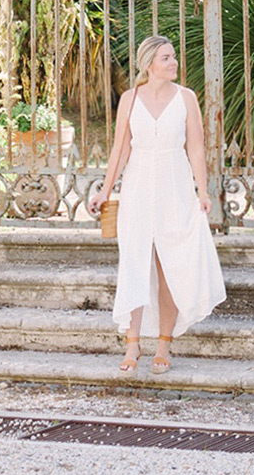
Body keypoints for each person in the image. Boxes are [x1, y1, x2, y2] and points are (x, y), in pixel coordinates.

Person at [88, 34, 226, 374]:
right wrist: (105, 191)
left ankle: (164, 344)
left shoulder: (187, 98)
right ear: (150, 64)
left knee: (170, 266)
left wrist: (202, 191)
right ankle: (132, 343)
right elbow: (120, 150)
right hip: (137, 188)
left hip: (175, 187)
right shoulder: (130, 99)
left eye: (173, 56)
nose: (173, 62)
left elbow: (195, 147)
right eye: (166, 58)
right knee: (135, 263)